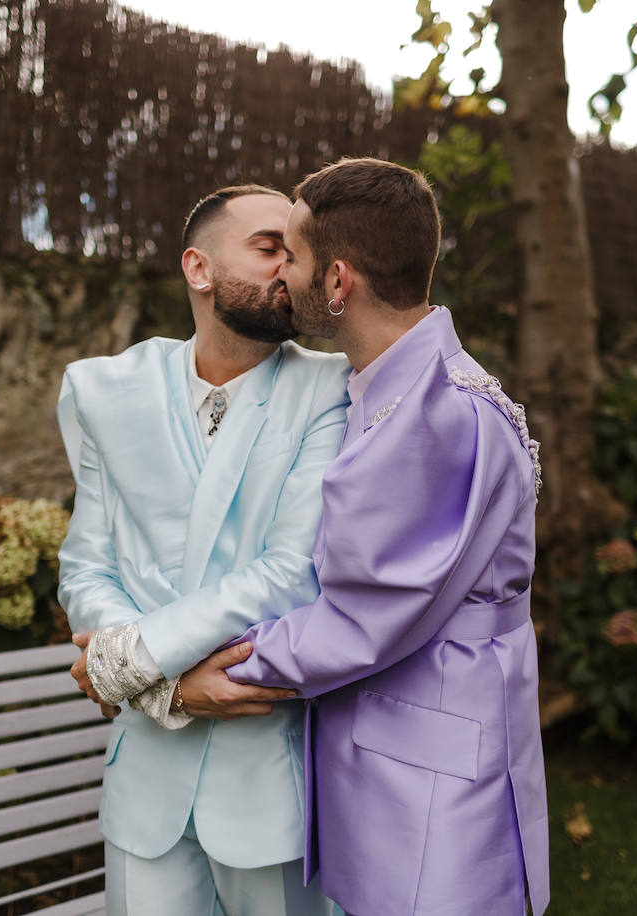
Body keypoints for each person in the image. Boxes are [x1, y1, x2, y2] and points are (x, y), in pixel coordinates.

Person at [184, 158, 550, 916]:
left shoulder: (436, 415)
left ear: (339, 281)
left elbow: (363, 617)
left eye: (294, 254)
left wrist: (184, 663)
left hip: (430, 777)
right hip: (393, 746)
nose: (281, 273)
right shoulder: (393, 384)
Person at [55, 184, 348, 916]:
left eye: (298, 253)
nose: (289, 268)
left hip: (269, 775)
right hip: (144, 784)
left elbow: (294, 573)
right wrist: (166, 692)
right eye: (268, 247)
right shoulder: (103, 390)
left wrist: (122, 663)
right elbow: (88, 566)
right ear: (199, 267)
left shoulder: (333, 390)